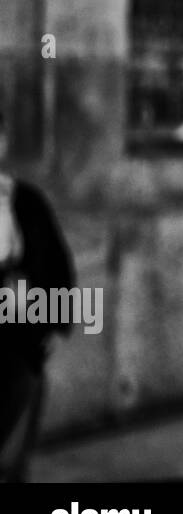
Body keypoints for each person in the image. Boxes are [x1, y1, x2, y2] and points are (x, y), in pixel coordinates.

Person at [0, 106, 76, 482]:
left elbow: (58, 271)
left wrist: (49, 326)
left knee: (11, 465)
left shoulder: (26, 203)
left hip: (19, 355)